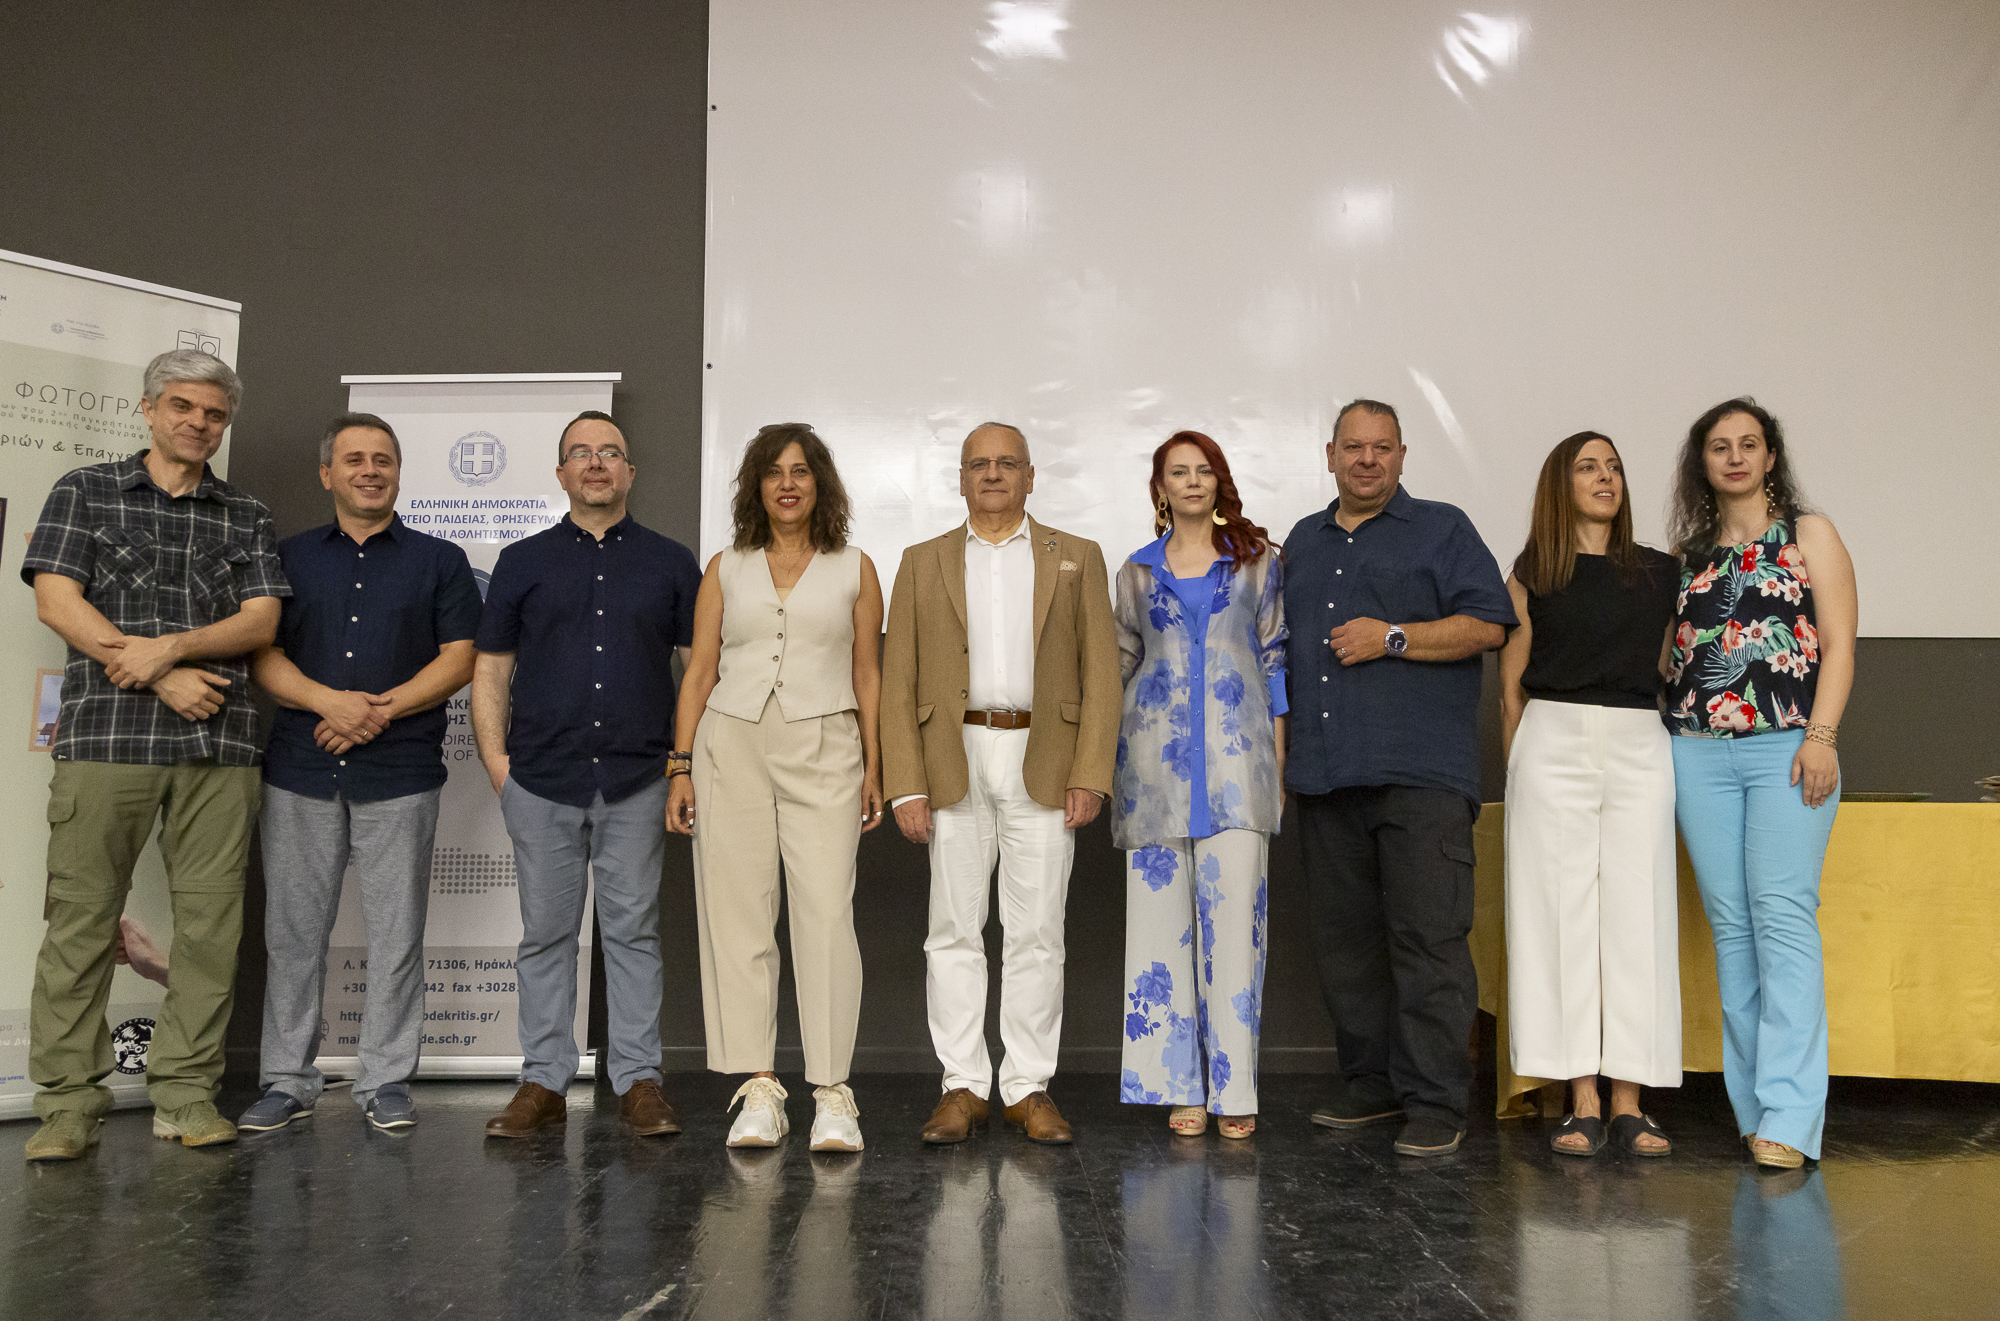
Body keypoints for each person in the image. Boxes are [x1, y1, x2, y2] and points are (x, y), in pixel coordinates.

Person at [21, 349, 288, 1160]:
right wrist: (158, 673)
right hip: (107, 737)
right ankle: (68, 1104)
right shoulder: (85, 489)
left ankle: (185, 1093)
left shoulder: (246, 513)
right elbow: (56, 598)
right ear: (148, 408)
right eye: (182, 406)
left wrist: (169, 648)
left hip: (219, 744)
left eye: (213, 413)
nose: (198, 423)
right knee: (81, 922)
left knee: (211, 929)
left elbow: (260, 621)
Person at [1282, 398, 1516, 1158]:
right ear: (1330, 455)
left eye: (1382, 447)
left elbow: (1488, 623)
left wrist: (1392, 637)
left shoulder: (1443, 528)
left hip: (1421, 776)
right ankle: (1373, 1084)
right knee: (1346, 945)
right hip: (1326, 776)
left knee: (1428, 940)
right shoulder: (1302, 541)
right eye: (1354, 447)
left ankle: (1436, 1100)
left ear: (1403, 456)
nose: (1367, 459)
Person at [237, 414, 481, 1135]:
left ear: (398, 473)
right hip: (300, 768)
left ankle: (385, 1079)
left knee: (397, 935)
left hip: (399, 770)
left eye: (383, 460)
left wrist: (378, 711)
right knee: (293, 935)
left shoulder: (441, 560)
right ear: (327, 474)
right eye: (354, 460)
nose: (369, 470)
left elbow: (460, 656)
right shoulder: (287, 556)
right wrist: (329, 702)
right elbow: (262, 653)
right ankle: (287, 1079)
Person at [883, 422, 1120, 1145]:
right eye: (979, 464)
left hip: (1044, 757)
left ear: (1030, 476)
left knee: (1038, 932)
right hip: (950, 757)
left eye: (1007, 463)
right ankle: (962, 1084)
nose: (992, 474)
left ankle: (1026, 1086)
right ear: (961, 479)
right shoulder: (920, 561)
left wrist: (1091, 772)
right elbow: (898, 681)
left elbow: (1102, 673)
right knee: (952, 931)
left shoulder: (1077, 556)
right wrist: (905, 784)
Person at [471, 410, 702, 1139]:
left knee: (633, 933)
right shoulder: (521, 561)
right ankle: (543, 1080)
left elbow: (698, 671)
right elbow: (490, 671)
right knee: (545, 935)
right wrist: (498, 766)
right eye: (581, 452)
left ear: (630, 471)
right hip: (539, 779)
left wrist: (682, 765)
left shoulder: (671, 562)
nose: (596, 463)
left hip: (638, 780)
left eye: (610, 452)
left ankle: (638, 1081)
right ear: (562, 472)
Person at [667, 423, 885, 1151]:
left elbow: (868, 673)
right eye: (773, 472)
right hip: (730, 745)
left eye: (800, 471)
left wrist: (876, 765)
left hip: (827, 746)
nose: (787, 484)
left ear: (820, 483)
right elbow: (700, 670)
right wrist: (681, 764)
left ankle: (832, 1092)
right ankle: (759, 1086)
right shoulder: (726, 567)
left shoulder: (855, 567)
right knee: (738, 917)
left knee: (825, 914)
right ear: (756, 487)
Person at [1663, 398, 1855, 1170]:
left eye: (1749, 443)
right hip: (1697, 754)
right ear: (1703, 461)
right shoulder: (1687, 556)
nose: (1736, 456)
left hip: (1789, 748)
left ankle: (1793, 1113)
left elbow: (1839, 643)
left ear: (1771, 455)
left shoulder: (1810, 533)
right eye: (1721, 446)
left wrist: (1822, 736)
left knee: (1782, 919)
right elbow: (1671, 660)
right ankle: (1756, 1111)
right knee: (1734, 931)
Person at [1497, 431, 1681, 1158]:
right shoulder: (1531, 572)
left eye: (1614, 467)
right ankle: (1582, 1098)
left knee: (1639, 913)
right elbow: (1510, 691)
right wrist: (1519, 770)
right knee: (1560, 914)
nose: (1606, 477)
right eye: (1588, 467)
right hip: (1552, 738)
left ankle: (1631, 1101)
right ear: (1560, 484)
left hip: (1639, 739)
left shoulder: (1663, 572)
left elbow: (1671, 665)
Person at [1113, 430, 1287, 1140]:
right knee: (1158, 934)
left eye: (1203, 470)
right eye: (1178, 472)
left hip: (1240, 768)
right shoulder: (1135, 572)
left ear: (1219, 482)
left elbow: (1275, 660)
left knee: (1237, 934)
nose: (1191, 481)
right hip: (1151, 772)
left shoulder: (1258, 563)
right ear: (1160, 487)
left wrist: (1278, 763)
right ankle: (1177, 1084)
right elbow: (1121, 663)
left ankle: (1234, 1088)